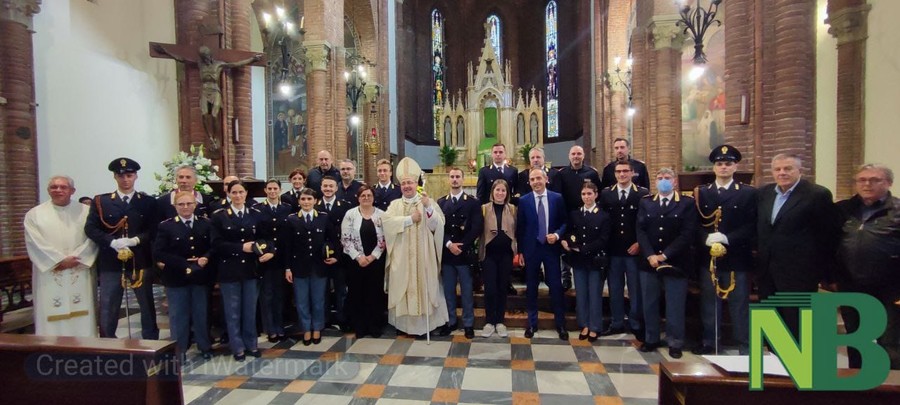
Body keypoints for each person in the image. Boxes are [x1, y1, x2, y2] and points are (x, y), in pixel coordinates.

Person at [756, 154, 841, 337]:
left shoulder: (817, 194)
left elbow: (827, 235)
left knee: (795, 321)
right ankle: (773, 361)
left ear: (799, 171)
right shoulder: (765, 193)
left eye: (788, 168)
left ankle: (796, 362)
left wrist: (824, 272)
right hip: (767, 270)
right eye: (777, 169)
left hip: (799, 272)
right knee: (770, 318)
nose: (782, 173)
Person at [693, 145, 757, 355]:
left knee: (739, 305)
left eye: (728, 164)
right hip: (709, 259)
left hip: (736, 258)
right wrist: (706, 239)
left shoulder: (747, 193)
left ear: (735, 166)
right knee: (709, 304)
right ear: (714, 167)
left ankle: (744, 344)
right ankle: (710, 342)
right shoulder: (702, 193)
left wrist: (728, 238)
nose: (723, 167)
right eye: (719, 164)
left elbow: (752, 225)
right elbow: (695, 225)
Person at [84, 157, 159, 339]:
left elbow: (154, 230)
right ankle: (108, 342)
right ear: (115, 177)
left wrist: (135, 240)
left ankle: (151, 342)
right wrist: (111, 242)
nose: (126, 179)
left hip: (139, 261)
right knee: (109, 305)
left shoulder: (147, 202)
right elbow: (90, 228)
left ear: (136, 176)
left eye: (129, 175)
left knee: (147, 304)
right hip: (111, 262)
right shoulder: (102, 202)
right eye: (121, 176)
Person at [835, 164, 900, 369]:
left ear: (888, 183)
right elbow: (828, 243)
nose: (867, 184)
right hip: (850, 283)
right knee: (856, 339)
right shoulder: (843, 209)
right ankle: (858, 389)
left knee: (890, 343)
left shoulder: (897, 210)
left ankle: (890, 391)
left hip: (890, 287)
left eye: (874, 180)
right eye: (861, 180)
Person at [382, 157, 449, 336]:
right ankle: (404, 326)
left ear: (416, 183)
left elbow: (438, 225)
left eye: (410, 182)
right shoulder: (395, 205)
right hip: (402, 257)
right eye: (403, 183)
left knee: (426, 286)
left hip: (424, 255)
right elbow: (386, 223)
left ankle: (427, 326)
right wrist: (409, 219)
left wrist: (427, 208)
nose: (407, 186)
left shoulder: (427, 201)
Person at [25, 176, 98, 337]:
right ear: (48, 190)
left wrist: (76, 258)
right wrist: (59, 260)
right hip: (51, 271)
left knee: (83, 312)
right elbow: (34, 242)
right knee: (50, 311)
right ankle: (51, 347)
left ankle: (87, 346)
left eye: (63, 187)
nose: (58, 190)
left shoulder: (86, 212)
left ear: (72, 191)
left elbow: (93, 238)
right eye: (54, 187)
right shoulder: (35, 214)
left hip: (79, 267)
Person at [636, 168, 697, 358]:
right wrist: (650, 255)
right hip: (649, 262)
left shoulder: (686, 204)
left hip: (676, 262)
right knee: (649, 302)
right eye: (660, 178)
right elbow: (641, 231)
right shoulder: (646, 202)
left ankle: (675, 341)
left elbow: (687, 234)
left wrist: (665, 256)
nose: (663, 181)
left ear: (675, 182)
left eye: (667, 178)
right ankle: (651, 338)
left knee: (675, 304)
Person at [210, 180, 272, 361]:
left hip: (251, 269)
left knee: (250, 309)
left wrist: (267, 250)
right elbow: (216, 244)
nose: (238, 196)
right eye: (234, 192)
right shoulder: (220, 216)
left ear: (246, 194)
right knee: (232, 310)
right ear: (228, 194)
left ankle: (251, 343)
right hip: (229, 269)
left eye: (241, 192)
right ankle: (237, 347)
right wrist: (240, 248)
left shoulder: (255, 214)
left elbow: (264, 238)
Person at [153, 191, 213, 359]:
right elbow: (159, 252)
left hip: (200, 276)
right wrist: (185, 264)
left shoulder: (205, 224)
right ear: (175, 206)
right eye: (181, 204)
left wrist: (205, 258)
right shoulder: (166, 226)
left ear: (195, 205)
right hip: (176, 277)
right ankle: (179, 350)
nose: (185, 207)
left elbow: (213, 246)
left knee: (201, 313)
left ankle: (204, 346)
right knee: (178, 315)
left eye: (189, 204)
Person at [598, 160, 649, 340]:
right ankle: (617, 322)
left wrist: (640, 244)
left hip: (633, 250)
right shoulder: (606, 194)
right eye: (618, 171)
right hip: (613, 250)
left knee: (636, 289)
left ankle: (635, 323)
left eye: (625, 171)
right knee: (615, 289)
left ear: (632, 173)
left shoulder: (642, 194)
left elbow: (645, 223)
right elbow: (602, 222)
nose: (622, 174)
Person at [517, 168, 569, 340]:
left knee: (555, 286)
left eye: (539, 178)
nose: (536, 182)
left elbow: (564, 222)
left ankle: (560, 324)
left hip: (550, 248)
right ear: (529, 182)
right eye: (532, 179)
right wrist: (521, 251)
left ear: (546, 179)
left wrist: (557, 234)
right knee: (531, 288)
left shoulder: (557, 198)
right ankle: (532, 324)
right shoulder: (524, 201)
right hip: (531, 249)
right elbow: (521, 228)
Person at [285, 189, 338, 345]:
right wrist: (288, 268)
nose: (306, 202)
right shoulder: (292, 219)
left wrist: (335, 256)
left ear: (315, 201)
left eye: (309, 199)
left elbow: (333, 239)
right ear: (299, 201)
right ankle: (306, 329)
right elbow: (287, 247)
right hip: (299, 268)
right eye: (303, 199)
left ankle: (317, 328)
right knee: (301, 301)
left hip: (319, 267)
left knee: (318, 300)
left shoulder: (323, 217)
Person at [153, 44, 261, 119]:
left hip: (215, 90)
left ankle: (214, 139)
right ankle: (211, 138)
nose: (205, 59)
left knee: (214, 115)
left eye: (205, 56)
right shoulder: (201, 65)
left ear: (209, 55)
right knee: (204, 114)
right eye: (202, 57)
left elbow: (235, 64)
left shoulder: (218, 64)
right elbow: (182, 59)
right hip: (205, 90)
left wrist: (252, 59)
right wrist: (166, 51)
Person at [561, 183, 611, 342]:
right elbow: (570, 232)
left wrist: (584, 249)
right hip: (578, 261)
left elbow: (604, 239)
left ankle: (595, 326)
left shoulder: (603, 215)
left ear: (596, 194)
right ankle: (584, 324)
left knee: (594, 294)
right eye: (584, 194)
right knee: (581, 294)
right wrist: (567, 242)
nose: (586, 197)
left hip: (595, 260)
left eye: (589, 193)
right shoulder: (575, 214)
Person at [437, 168, 483, 338]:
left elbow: (476, 227)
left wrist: (461, 246)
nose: (455, 179)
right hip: (448, 254)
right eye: (452, 177)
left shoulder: (473, 202)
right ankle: (451, 321)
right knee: (448, 291)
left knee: (467, 291)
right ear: (448, 180)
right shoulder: (441, 203)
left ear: (463, 179)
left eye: (458, 177)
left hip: (464, 255)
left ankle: (468, 323)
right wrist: (449, 244)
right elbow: (438, 227)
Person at [551, 145, 602, 290]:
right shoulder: (562, 174)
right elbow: (558, 196)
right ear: (569, 156)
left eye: (579, 153)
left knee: (585, 244)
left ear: (583, 155)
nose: (576, 156)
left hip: (587, 216)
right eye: (573, 154)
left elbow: (598, 195)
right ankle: (566, 276)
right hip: (568, 216)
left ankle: (587, 269)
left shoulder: (592, 173)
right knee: (567, 246)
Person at [341, 185, 388, 338]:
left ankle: (374, 326)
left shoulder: (381, 214)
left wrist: (372, 256)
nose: (366, 198)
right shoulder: (350, 214)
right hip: (355, 262)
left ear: (373, 198)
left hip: (375, 262)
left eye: (369, 195)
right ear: (358, 197)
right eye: (363, 195)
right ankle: (360, 327)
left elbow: (385, 239)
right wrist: (359, 257)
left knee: (374, 293)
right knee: (357, 293)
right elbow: (345, 239)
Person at [255, 179, 292, 342]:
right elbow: (257, 236)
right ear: (265, 190)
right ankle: (270, 328)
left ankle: (280, 326)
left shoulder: (287, 208)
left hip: (282, 258)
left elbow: (287, 236)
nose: (272, 191)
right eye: (269, 188)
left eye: (275, 188)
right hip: (265, 259)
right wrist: (266, 251)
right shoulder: (258, 210)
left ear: (280, 190)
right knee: (267, 295)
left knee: (280, 295)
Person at [479, 179, 517, 338]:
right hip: (489, 254)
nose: (500, 193)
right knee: (490, 288)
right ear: (492, 192)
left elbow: (516, 230)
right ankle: (489, 321)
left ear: (507, 193)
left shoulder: (513, 209)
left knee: (502, 287)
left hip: (506, 254)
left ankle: (500, 321)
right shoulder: (484, 209)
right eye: (497, 190)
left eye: (503, 190)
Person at [316, 176, 351, 330]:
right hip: (320, 256)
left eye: (331, 186)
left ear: (336, 188)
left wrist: (338, 255)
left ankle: (342, 319)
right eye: (325, 186)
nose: (328, 189)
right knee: (322, 291)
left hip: (340, 255)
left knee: (340, 290)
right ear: (321, 188)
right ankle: (325, 320)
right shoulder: (314, 206)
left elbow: (348, 232)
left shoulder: (345, 206)